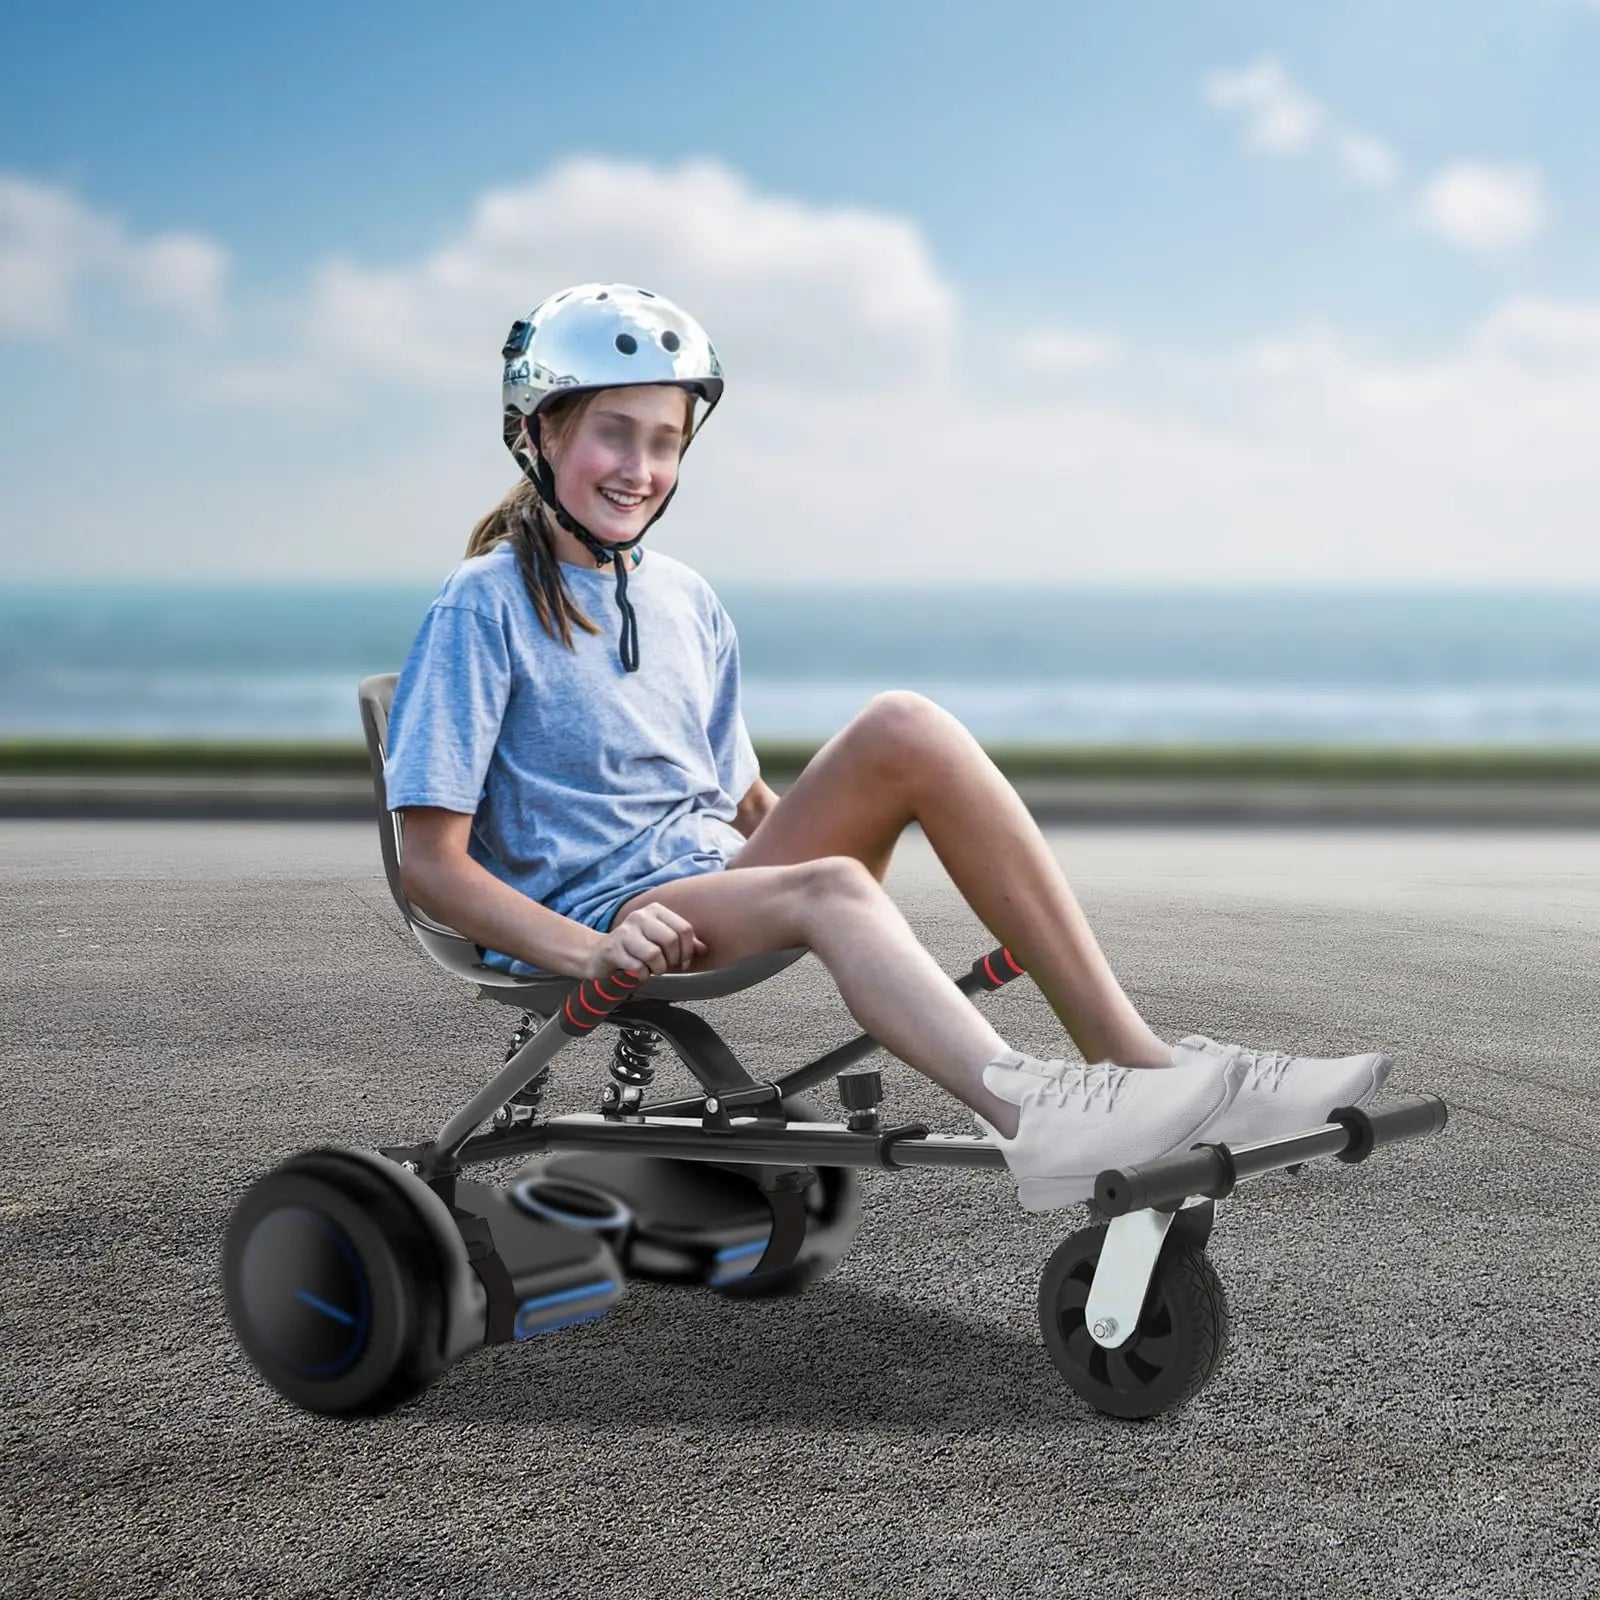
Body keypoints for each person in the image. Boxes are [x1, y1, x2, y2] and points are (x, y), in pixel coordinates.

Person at [383, 281, 1395, 1213]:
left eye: (667, 441)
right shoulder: (484, 605)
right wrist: (592, 951)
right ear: (536, 431)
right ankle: (1035, 1117)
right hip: (611, 916)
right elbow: (431, 866)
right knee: (830, 886)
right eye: (614, 433)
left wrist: (825, 866)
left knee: (905, 725)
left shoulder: (685, 599)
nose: (641, 469)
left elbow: (742, 801)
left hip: (712, 884)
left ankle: (1141, 1065)